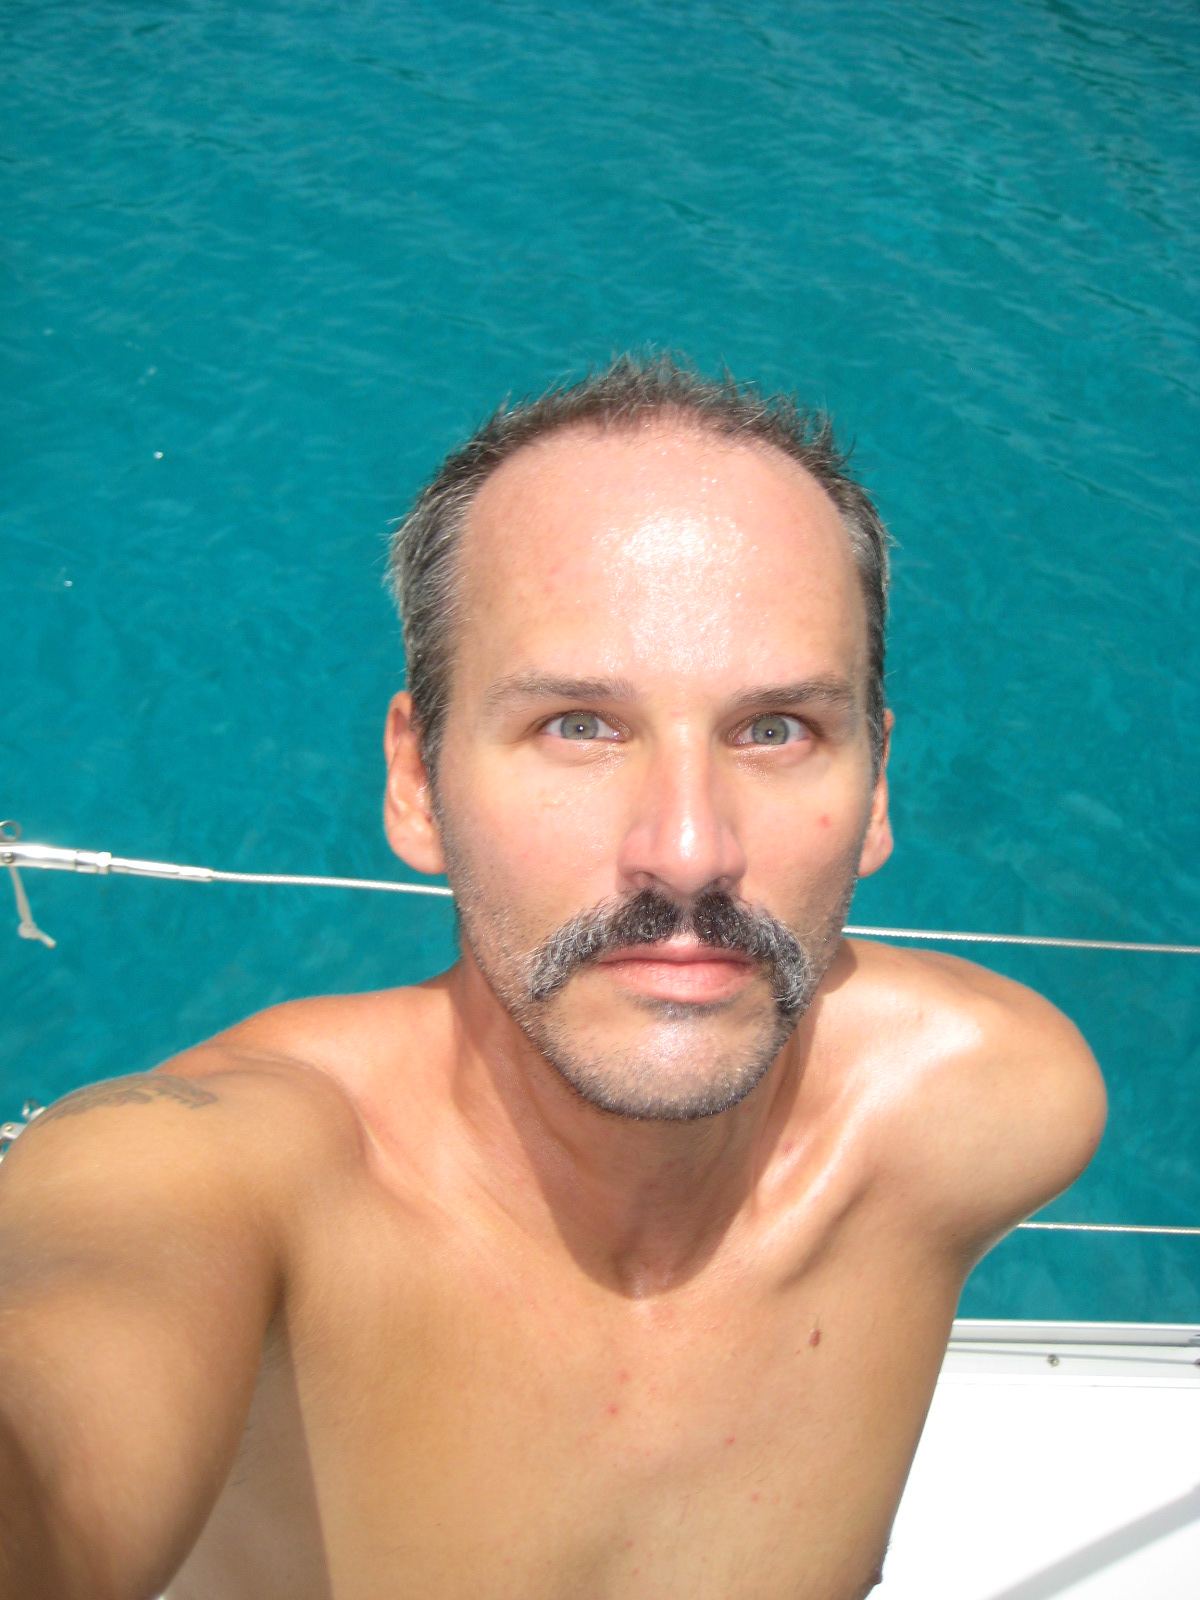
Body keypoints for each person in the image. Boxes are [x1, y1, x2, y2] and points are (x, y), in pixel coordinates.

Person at [0, 356, 1105, 1600]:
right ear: (416, 781)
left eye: (775, 729)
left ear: (878, 788)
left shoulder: (986, 1110)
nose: (687, 849)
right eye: (577, 725)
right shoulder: (228, 1172)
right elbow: (58, 1395)